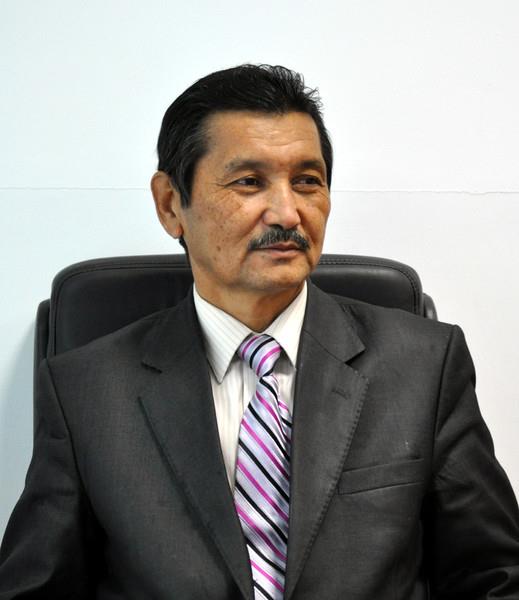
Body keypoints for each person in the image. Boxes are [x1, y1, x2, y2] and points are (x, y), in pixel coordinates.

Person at [0, 64, 518, 600]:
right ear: (171, 204)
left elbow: (494, 578)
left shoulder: (423, 367)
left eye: (307, 181)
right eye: (249, 182)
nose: (288, 213)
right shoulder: (87, 390)